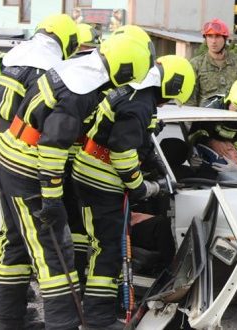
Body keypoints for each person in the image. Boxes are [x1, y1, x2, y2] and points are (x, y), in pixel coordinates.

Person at [0, 25, 154, 330]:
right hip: (27, 168)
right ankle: (61, 324)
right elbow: (53, 145)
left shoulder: (77, 70)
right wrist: (52, 199)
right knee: (54, 253)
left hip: (10, 156)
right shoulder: (81, 91)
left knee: (17, 243)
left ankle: (8, 321)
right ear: (125, 66)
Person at [71, 55, 195, 328]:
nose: (167, 104)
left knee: (108, 247)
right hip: (100, 180)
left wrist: (156, 167)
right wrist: (142, 186)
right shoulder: (139, 104)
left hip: (97, 177)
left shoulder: (139, 96)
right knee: (109, 249)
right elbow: (124, 153)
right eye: (172, 99)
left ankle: (102, 306)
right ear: (173, 85)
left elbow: (142, 143)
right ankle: (98, 319)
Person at [0, 13, 79, 327]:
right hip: (22, 152)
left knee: (13, 235)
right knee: (40, 243)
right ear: (66, 39)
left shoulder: (13, 56)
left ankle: (3, 313)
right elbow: (45, 120)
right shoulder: (48, 67)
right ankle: (37, 318)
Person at [187, 18, 237, 107]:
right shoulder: (196, 64)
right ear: (206, 39)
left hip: (232, 118)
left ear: (224, 39)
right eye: (210, 36)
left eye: (217, 36)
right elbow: (190, 100)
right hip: (205, 118)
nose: (213, 41)